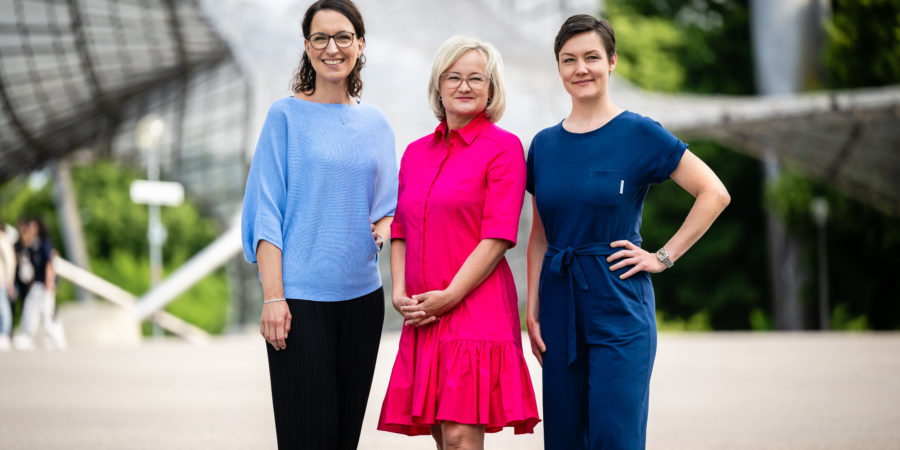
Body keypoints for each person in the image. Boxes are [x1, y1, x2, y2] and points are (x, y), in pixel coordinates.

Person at [525, 15, 731, 450]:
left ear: (612, 61)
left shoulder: (639, 132)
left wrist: (662, 257)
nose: (581, 68)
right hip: (559, 304)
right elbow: (540, 235)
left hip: (618, 302)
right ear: (559, 68)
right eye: (569, 59)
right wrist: (534, 308)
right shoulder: (543, 145)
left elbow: (713, 193)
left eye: (591, 57)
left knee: (614, 437)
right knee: (564, 439)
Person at [240, 0, 398, 448]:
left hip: (363, 301)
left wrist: (379, 233)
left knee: (344, 439)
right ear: (307, 46)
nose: (333, 48)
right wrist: (274, 297)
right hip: (298, 302)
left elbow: (390, 204)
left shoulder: (376, 123)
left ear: (360, 44)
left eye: (343, 37)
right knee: (307, 437)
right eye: (321, 38)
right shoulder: (284, 117)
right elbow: (265, 214)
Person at [378, 35, 540, 449]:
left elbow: (498, 236)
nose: (464, 86)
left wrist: (449, 296)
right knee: (440, 434)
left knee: (460, 436)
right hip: (424, 310)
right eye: (453, 77)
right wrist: (399, 293)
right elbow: (400, 230)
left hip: (475, 306)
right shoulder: (415, 153)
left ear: (491, 88)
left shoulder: (504, 148)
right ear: (438, 85)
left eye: (476, 78)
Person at [13, 217, 66, 351]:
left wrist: (50, 283)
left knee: (47, 311)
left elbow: (49, 264)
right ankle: (29, 337)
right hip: (37, 284)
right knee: (32, 309)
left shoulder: (44, 243)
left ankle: (56, 338)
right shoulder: (34, 245)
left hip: (44, 284)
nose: (30, 229)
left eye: (32, 227)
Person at [0, 219, 16, 351]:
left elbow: (10, 261)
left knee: (3, 308)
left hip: (2, 280)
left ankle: (5, 333)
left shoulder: (3, 239)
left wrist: (9, 281)